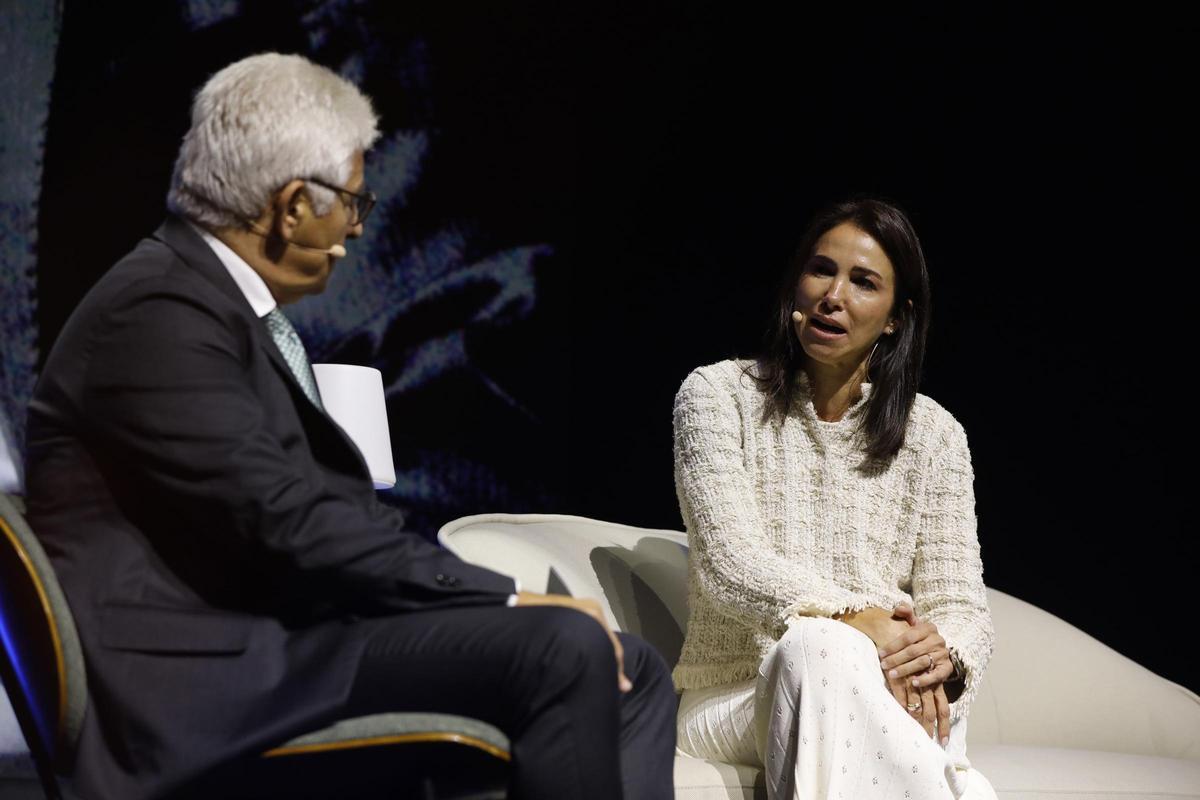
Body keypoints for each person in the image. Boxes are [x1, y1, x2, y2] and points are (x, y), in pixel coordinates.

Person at [24, 52, 675, 800]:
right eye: (354, 203)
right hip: (210, 676)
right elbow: (285, 516)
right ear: (294, 205)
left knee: (633, 668)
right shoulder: (158, 312)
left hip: (288, 640)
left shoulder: (203, 302)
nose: (358, 230)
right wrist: (502, 596)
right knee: (563, 645)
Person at [670, 198, 997, 799]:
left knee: (885, 679)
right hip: (738, 692)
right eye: (821, 270)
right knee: (819, 645)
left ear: (895, 317)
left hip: (884, 680)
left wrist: (937, 656)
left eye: (863, 282)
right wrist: (858, 620)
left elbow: (962, 607)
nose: (833, 295)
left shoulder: (935, 434)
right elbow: (729, 562)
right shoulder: (717, 394)